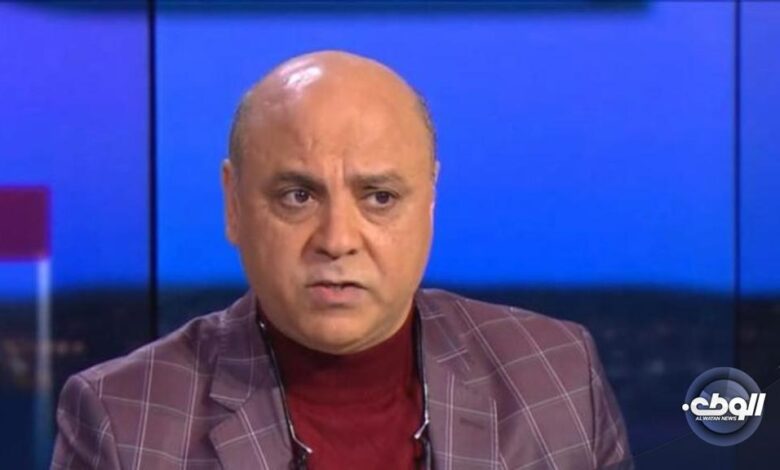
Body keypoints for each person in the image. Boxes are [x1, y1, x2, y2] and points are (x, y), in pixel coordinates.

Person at [51, 50, 633, 470]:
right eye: (297, 196)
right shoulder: (125, 420)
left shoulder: (556, 373)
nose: (337, 239)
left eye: (379, 197)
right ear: (233, 204)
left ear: (430, 202)